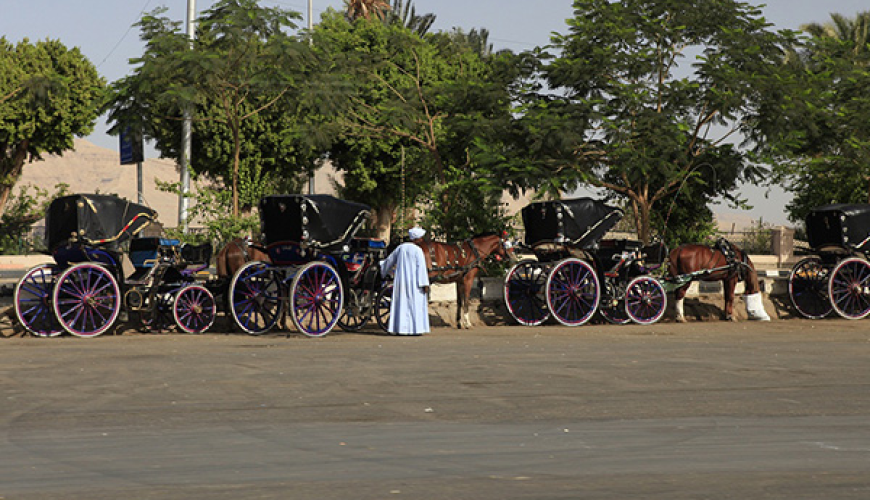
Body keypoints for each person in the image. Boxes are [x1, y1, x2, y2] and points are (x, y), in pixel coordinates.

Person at [380, 226, 431, 335]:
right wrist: (425, 284)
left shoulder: (400, 248)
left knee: (401, 305)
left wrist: (382, 268)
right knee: (415, 305)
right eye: (421, 238)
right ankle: (415, 329)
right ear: (416, 239)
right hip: (415, 283)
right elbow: (421, 268)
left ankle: (400, 328)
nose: (422, 240)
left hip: (401, 282)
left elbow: (389, 261)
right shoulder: (418, 251)